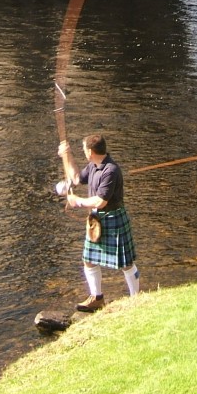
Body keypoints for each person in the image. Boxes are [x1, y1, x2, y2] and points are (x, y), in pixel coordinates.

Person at [58, 134, 139, 312]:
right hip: (97, 220)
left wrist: (77, 201)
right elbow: (77, 178)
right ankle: (97, 298)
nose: (84, 152)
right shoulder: (94, 166)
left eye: (84, 149)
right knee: (88, 260)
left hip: (112, 218)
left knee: (126, 263)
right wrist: (67, 155)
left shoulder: (110, 170)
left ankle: (136, 299)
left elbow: (100, 201)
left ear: (91, 151)